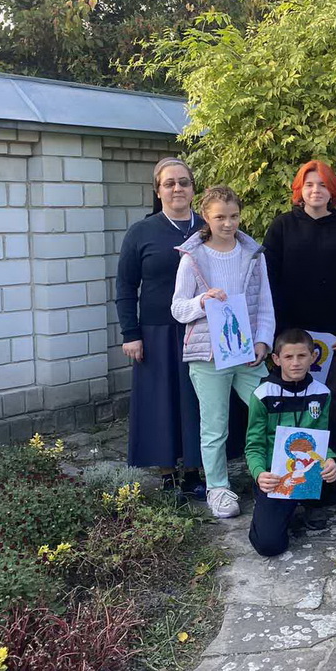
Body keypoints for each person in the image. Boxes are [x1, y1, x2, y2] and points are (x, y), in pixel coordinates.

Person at [171, 186, 275, 519]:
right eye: (220, 217)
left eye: (233, 216)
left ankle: (272, 477)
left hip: (246, 353)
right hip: (208, 355)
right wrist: (202, 302)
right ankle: (217, 488)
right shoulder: (193, 258)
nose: (228, 223)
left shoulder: (252, 254)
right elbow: (177, 308)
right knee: (215, 426)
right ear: (206, 216)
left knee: (269, 409)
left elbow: (265, 303)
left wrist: (263, 341)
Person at [263, 160, 336, 454]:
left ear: (332, 190)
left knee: (332, 400)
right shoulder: (282, 226)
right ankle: (290, 466)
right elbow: (269, 280)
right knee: (293, 401)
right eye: (309, 184)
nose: (315, 190)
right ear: (300, 189)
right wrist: (278, 331)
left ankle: (329, 465)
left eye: (322, 184)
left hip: (334, 336)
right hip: (292, 333)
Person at [116, 158, 206, 501]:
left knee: (195, 401)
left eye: (184, 182)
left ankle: (194, 472)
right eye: (169, 183)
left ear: (193, 188)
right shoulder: (141, 232)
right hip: (156, 331)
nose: (177, 188)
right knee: (161, 403)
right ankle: (167, 472)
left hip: (200, 329)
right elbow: (126, 286)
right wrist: (131, 333)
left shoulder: (207, 228)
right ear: (158, 191)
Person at [245, 329, 336, 557]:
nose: (295, 363)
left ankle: (313, 503)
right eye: (288, 357)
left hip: (308, 469)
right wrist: (259, 473)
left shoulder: (321, 393)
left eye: (302, 356)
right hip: (276, 475)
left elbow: (321, 437)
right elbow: (254, 445)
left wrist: (330, 460)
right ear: (276, 359)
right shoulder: (262, 394)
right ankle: (272, 503)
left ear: (313, 357)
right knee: (269, 546)